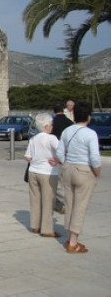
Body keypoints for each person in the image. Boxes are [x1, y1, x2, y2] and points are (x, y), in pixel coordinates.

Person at [57, 101, 101, 254]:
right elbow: (95, 157)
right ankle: (73, 243)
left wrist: (65, 163)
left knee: (69, 204)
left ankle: (70, 237)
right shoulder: (90, 134)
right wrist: (97, 172)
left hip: (68, 168)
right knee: (80, 206)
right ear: (88, 116)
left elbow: (59, 152)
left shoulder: (67, 131)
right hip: (84, 170)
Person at [24, 113, 60, 237]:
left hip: (33, 171)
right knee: (48, 200)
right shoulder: (52, 138)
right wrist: (57, 160)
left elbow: (27, 157)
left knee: (35, 199)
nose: (52, 127)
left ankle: (35, 225)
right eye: (50, 125)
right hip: (48, 172)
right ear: (46, 126)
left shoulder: (33, 139)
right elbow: (61, 152)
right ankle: (47, 229)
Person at [51, 101, 74, 213]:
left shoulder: (52, 123)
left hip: (56, 154)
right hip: (69, 154)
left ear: (53, 111)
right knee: (67, 181)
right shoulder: (70, 122)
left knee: (58, 181)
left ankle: (64, 201)